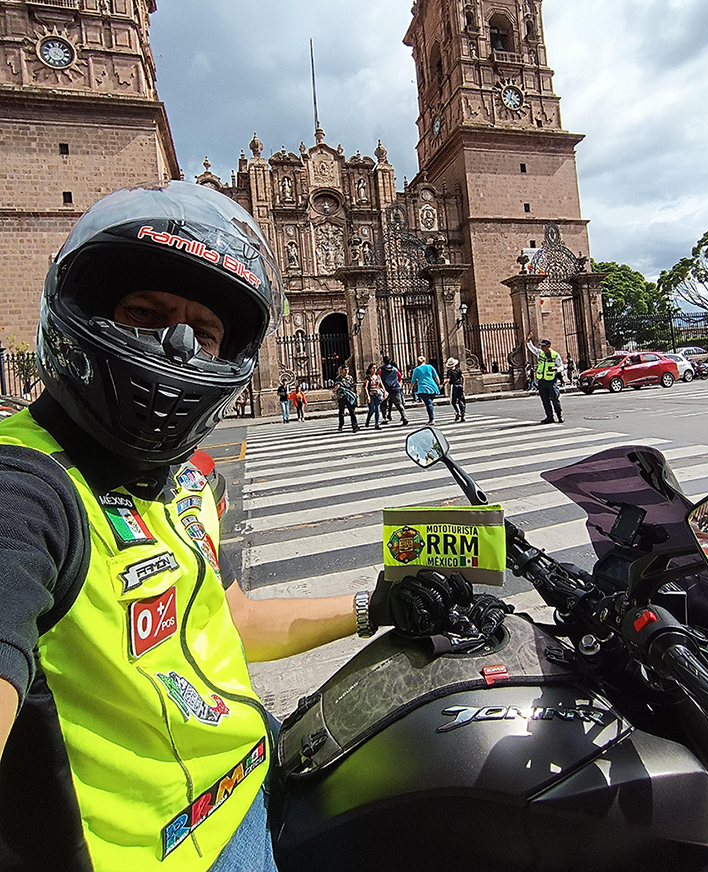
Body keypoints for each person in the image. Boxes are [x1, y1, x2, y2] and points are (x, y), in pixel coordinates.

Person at [0, 182, 409, 872]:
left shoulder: (184, 482)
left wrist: (376, 604)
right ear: (82, 315)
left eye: (205, 331)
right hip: (174, 846)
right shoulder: (28, 488)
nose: (180, 345)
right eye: (145, 313)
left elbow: (228, 619)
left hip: (251, 761)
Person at [526, 332, 564, 424]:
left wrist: (556, 369)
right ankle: (549, 416)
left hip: (551, 381)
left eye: (544, 346)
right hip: (542, 380)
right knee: (545, 400)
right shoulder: (540, 353)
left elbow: (562, 366)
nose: (542, 347)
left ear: (548, 346)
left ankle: (559, 415)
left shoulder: (555, 355)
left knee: (555, 399)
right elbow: (532, 349)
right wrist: (528, 341)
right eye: (541, 346)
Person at [378, 356, 409, 426]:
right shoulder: (395, 369)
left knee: (384, 405)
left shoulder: (381, 370)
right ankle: (404, 417)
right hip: (395, 389)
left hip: (386, 389)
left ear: (383, 362)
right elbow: (400, 377)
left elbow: (378, 379)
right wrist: (399, 385)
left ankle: (385, 418)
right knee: (399, 404)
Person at [411, 355, 441, 424]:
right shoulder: (430, 367)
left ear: (418, 362)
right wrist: (438, 384)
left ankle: (432, 418)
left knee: (428, 403)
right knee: (429, 402)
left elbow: (413, 381)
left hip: (423, 388)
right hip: (432, 387)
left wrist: (411, 388)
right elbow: (436, 377)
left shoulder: (416, 370)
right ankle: (431, 417)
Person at [332, 365, 359, 432]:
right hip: (341, 396)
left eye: (347, 370)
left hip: (348, 397)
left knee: (352, 411)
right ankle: (341, 424)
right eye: (345, 370)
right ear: (342, 371)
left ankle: (354, 426)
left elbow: (352, 386)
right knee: (341, 412)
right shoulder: (339, 378)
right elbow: (336, 387)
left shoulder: (350, 378)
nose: (346, 371)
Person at [443, 357, 466, 422]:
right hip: (460, 385)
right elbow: (463, 377)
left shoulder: (449, 371)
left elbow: (448, 379)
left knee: (453, 401)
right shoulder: (458, 369)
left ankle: (457, 413)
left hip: (454, 386)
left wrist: (444, 383)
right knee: (461, 400)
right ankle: (463, 413)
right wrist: (463, 385)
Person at [363, 362, 384, 429]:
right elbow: (365, 387)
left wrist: (384, 392)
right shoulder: (368, 378)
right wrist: (368, 396)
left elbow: (381, 384)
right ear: (370, 369)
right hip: (371, 395)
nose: (374, 369)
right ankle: (368, 420)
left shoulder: (378, 377)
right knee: (371, 410)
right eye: (373, 368)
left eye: (375, 368)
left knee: (377, 409)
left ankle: (376, 424)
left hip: (377, 395)